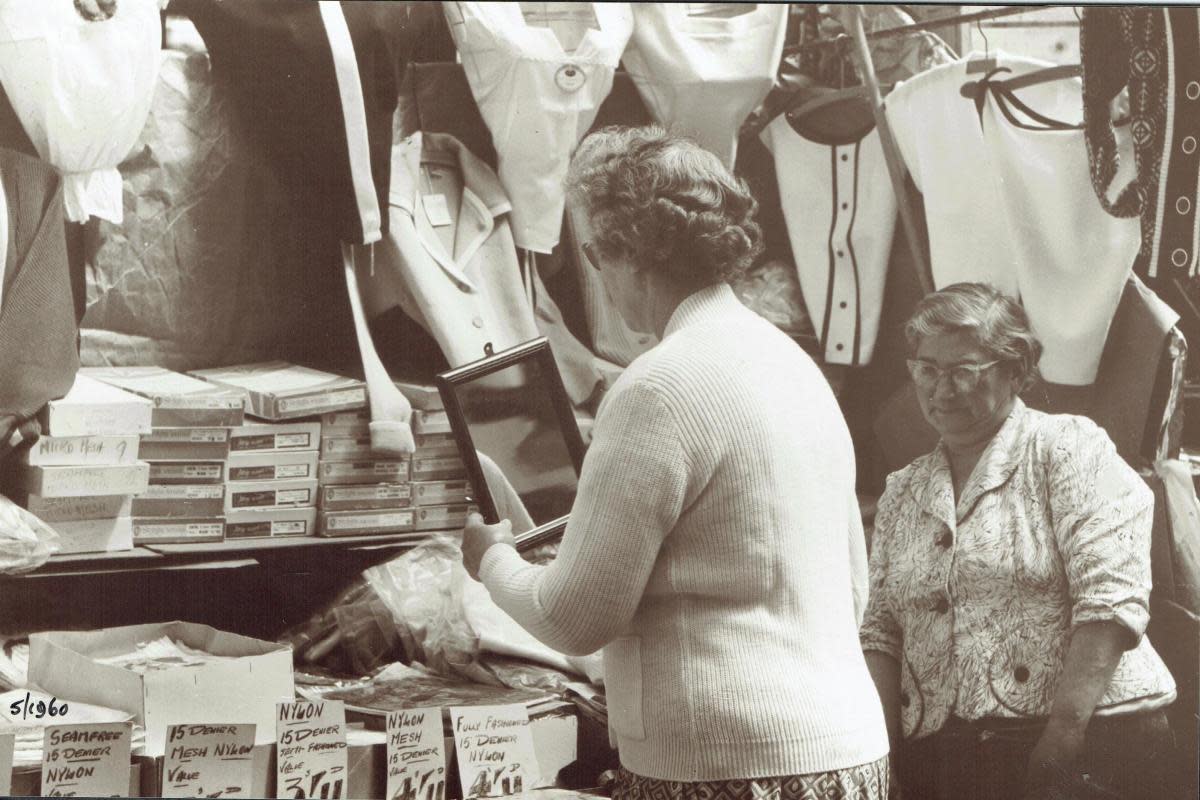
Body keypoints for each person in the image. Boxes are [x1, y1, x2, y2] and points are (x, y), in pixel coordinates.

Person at [461, 126, 890, 799]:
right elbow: (854, 585)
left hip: (725, 762)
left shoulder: (657, 387)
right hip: (846, 749)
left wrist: (492, 559)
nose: (599, 275)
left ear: (631, 253)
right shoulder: (792, 363)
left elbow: (575, 620)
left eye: (596, 256)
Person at [860, 283, 1178, 800]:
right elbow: (881, 635)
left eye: (964, 371)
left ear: (1015, 369)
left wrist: (1062, 739)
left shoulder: (1067, 447)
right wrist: (885, 757)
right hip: (946, 756)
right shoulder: (903, 491)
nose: (943, 389)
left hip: (1087, 741)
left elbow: (1110, 600)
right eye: (927, 370)